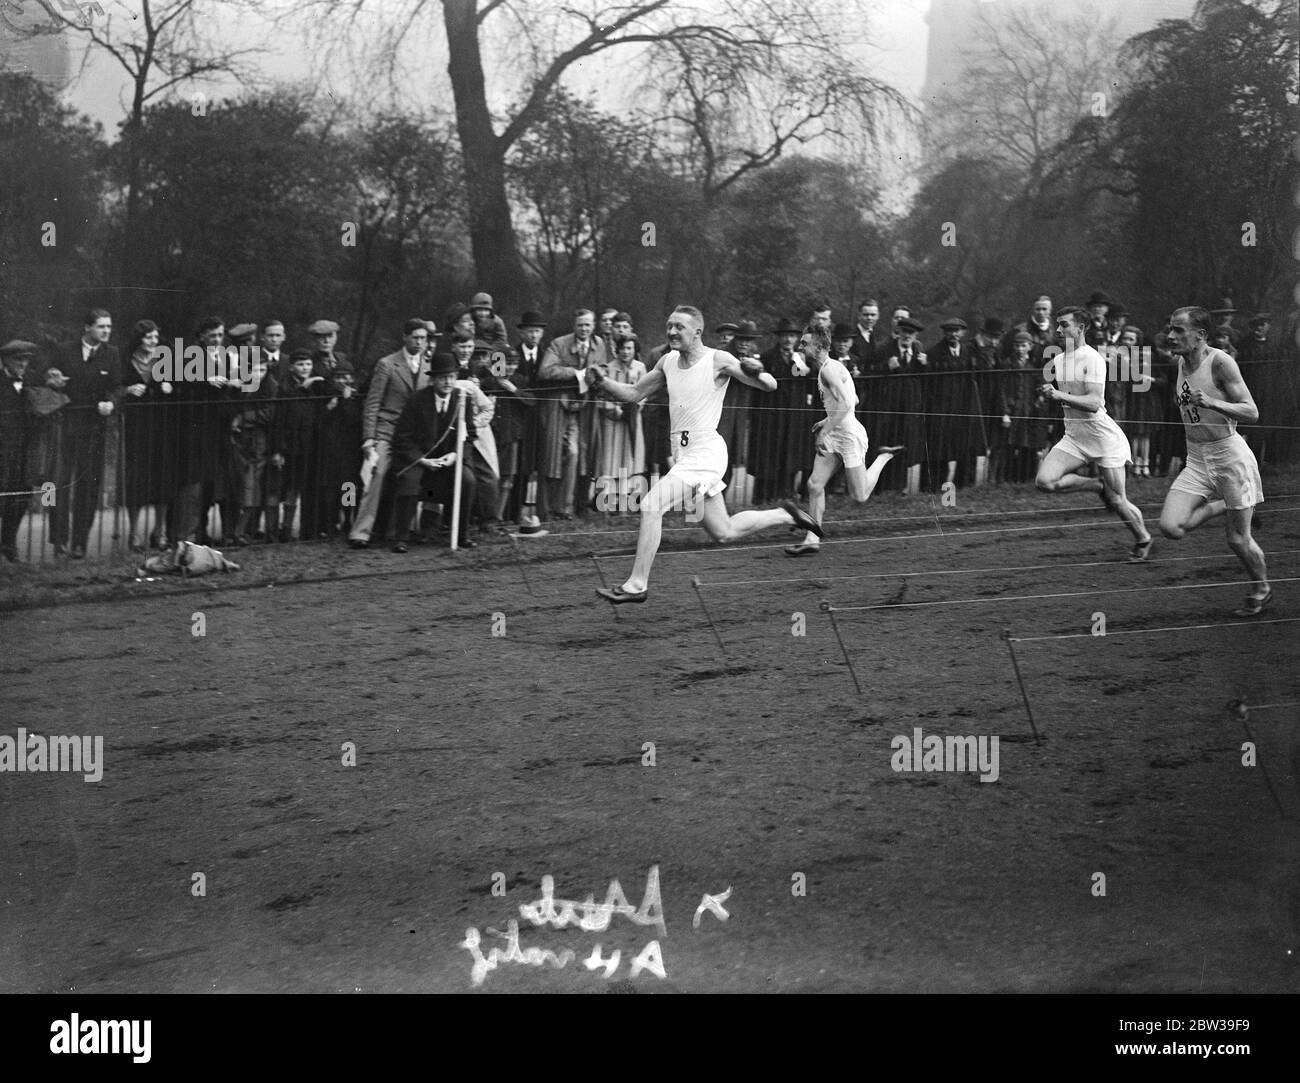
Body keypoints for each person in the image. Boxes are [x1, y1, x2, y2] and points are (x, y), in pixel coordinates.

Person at [586, 305, 823, 604]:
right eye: (669, 325)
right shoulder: (668, 362)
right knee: (723, 532)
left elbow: (770, 385)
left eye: (679, 327)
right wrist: (602, 382)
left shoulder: (718, 359)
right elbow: (633, 393)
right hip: (686, 457)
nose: (671, 331)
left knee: (651, 504)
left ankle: (637, 584)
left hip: (706, 453)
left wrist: (758, 372)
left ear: (697, 332)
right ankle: (785, 514)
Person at [1157, 306, 1270, 616]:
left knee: (1237, 539)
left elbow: (1251, 411)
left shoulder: (1221, 362)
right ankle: (1223, 506)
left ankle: (1261, 587)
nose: (1171, 336)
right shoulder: (1181, 361)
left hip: (1229, 456)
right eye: (1171, 329)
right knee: (1170, 527)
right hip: (1196, 459)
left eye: (1179, 330)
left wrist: (1211, 402)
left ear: (1201, 335)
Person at [1035, 306, 1153, 561]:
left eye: (1064, 324)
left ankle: (1143, 538)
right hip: (1074, 436)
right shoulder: (1057, 359)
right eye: (1057, 324)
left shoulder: (1093, 358)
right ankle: (1096, 485)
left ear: (1081, 328)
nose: (1058, 329)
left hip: (1101, 437)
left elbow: (1094, 403)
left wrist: (1057, 394)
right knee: (1044, 482)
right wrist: (1050, 394)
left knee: (1119, 500)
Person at [783, 325, 902, 556]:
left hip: (848, 437)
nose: (800, 346)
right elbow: (853, 399)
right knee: (814, 485)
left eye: (805, 343)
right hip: (836, 430)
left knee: (860, 496)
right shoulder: (830, 368)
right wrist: (827, 421)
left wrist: (824, 430)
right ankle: (811, 539)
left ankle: (883, 457)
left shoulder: (829, 370)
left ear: (818, 347)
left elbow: (847, 404)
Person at [39, 308, 121, 557]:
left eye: (108, 326)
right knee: (53, 484)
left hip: (93, 427)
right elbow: (45, 376)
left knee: (89, 486)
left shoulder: (112, 354)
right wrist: (51, 379)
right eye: (101, 326)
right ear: (87, 327)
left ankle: (79, 542)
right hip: (62, 425)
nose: (106, 331)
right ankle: (57, 538)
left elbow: (117, 387)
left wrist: (112, 402)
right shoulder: (63, 350)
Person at [349, 318, 430, 548]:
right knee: (377, 474)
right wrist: (368, 438)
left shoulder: (428, 366)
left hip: (412, 435)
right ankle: (360, 532)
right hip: (386, 430)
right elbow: (373, 403)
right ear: (404, 337)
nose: (419, 342)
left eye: (423, 338)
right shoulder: (387, 364)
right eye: (415, 337)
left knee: (412, 478)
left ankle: (402, 530)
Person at [391, 351, 478, 551]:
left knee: (468, 480)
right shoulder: (417, 400)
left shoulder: (461, 399)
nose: (447, 382)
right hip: (419, 460)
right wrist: (421, 460)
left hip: (449, 461)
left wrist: (456, 456)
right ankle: (401, 538)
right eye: (442, 378)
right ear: (433, 380)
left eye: (451, 377)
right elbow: (402, 437)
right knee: (410, 479)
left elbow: (470, 436)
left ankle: (461, 535)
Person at [118, 319, 177, 550]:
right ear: (138, 339)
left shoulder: (166, 358)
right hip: (136, 426)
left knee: (163, 477)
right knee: (137, 479)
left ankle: (159, 531)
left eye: (155, 337)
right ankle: (133, 533)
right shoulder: (125, 360)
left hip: (162, 425)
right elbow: (113, 386)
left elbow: (182, 386)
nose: (153, 341)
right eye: (148, 337)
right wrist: (127, 390)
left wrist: (170, 387)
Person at [0, 340, 39, 562]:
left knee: (22, 494)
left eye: (26, 359)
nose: (23, 364)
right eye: (18, 359)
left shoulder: (32, 380)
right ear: (5, 360)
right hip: (3, 448)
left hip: (25, 448)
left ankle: (9, 543)